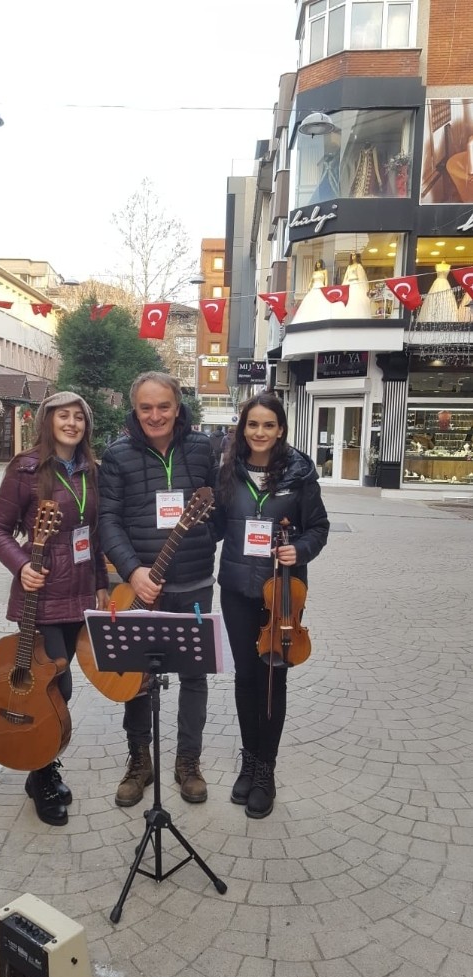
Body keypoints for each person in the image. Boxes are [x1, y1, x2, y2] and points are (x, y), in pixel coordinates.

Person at [0, 391, 109, 826]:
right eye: (63, 416)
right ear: (48, 421)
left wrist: (101, 584)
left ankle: (40, 767)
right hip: (39, 596)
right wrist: (21, 567)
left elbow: (93, 535)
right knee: (52, 687)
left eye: (79, 417)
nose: (72, 423)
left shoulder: (91, 470)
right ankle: (41, 774)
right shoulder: (26, 468)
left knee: (54, 687)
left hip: (79, 596)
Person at [99, 372, 219, 808]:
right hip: (141, 588)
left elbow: (219, 506)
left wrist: (205, 538)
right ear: (135, 409)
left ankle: (188, 762)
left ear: (177, 406)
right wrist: (132, 572)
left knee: (194, 675)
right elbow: (108, 520)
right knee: (136, 675)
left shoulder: (202, 448)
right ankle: (139, 761)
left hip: (194, 583)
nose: (155, 415)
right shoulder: (117, 454)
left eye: (163, 406)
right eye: (146, 407)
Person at [216, 393, 329, 819]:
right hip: (236, 589)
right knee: (246, 677)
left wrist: (300, 549)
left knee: (272, 678)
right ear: (242, 428)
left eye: (268, 425)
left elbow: (318, 526)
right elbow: (215, 527)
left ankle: (266, 770)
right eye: (252, 424)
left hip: (283, 592)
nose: (259, 432)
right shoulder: (229, 470)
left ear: (280, 429)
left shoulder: (299, 472)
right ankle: (249, 761)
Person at [289, 259, 329, 325]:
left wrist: (325, 288)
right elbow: (311, 281)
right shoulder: (314, 272)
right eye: (317, 263)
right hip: (314, 287)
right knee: (310, 301)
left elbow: (326, 280)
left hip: (321, 286)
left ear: (321, 264)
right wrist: (309, 287)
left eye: (319, 263)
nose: (318, 264)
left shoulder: (324, 271)